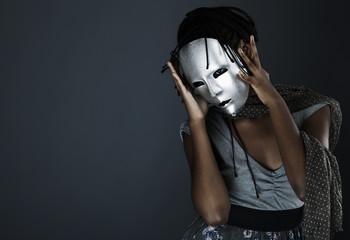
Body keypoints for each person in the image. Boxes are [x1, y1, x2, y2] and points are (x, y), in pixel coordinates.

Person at [162, 7, 342, 240]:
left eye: (218, 73)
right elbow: (214, 213)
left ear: (246, 50)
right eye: (199, 83)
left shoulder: (313, 109)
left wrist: (274, 101)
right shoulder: (200, 129)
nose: (214, 91)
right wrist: (197, 122)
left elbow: (308, 189)